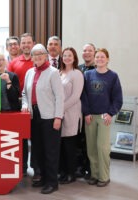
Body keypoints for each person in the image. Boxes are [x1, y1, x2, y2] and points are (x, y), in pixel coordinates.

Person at [22, 43, 64, 194]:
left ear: (46, 56)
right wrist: (25, 104)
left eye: (41, 54)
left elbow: (60, 96)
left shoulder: (53, 72)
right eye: (35, 54)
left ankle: (52, 182)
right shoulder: (29, 72)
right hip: (34, 116)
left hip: (50, 116)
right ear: (31, 57)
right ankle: (43, 178)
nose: (38, 57)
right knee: (38, 150)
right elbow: (25, 93)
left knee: (50, 151)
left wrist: (58, 117)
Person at [82, 48, 123, 187]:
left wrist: (111, 113)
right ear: (94, 58)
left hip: (104, 117)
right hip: (90, 117)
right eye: (97, 57)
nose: (99, 59)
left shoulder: (113, 76)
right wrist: (86, 112)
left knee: (103, 148)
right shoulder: (87, 75)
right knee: (91, 148)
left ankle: (104, 177)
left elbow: (118, 98)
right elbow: (84, 96)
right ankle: (94, 175)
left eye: (102, 57)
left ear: (107, 59)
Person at [7, 32, 35, 178]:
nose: (25, 45)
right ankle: (22, 166)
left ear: (33, 43)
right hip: (18, 104)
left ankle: (35, 166)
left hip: (35, 103)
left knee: (35, 136)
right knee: (21, 137)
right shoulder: (13, 63)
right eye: (23, 43)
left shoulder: (38, 60)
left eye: (28, 42)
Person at [0, 51, 21, 162]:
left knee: (10, 142)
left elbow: (15, 97)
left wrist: (8, 81)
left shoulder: (12, 76)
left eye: (1, 60)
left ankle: (10, 167)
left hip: (10, 113)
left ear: (5, 61)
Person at [58, 47, 84, 184]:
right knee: (61, 145)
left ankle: (71, 174)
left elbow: (75, 97)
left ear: (74, 58)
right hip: (59, 114)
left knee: (69, 146)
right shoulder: (59, 73)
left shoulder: (77, 74)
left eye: (70, 55)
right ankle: (62, 172)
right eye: (65, 55)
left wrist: (60, 109)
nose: (67, 57)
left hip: (71, 113)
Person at [76, 43, 96, 179]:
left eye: (90, 50)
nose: (87, 53)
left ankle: (91, 169)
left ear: (94, 52)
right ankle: (79, 168)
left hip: (92, 111)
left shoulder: (99, 69)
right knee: (79, 141)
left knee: (91, 142)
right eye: (84, 50)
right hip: (77, 111)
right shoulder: (78, 69)